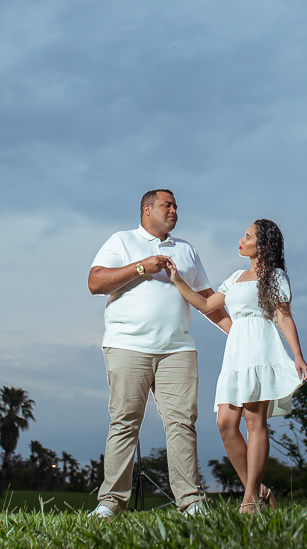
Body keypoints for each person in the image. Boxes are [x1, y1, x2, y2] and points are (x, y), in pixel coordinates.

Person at [87, 189, 231, 518]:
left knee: (182, 423)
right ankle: (111, 502)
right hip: (127, 345)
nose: (175, 211)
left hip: (177, 348)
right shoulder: (121, 241)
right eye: (168, 205)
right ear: (146, 210)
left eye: (177, 206)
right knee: (125, 422)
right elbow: (96, 282)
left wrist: (237, 333)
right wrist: (142, 267)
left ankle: (191, 501)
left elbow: (207, 298)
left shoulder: (186, 249)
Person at [164, 218, 307, 513]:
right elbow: (207, 306)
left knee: (256, 423)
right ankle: (260, 491)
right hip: (236, 352)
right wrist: (178, 280)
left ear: (262, 244)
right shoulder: (235, 277)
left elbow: (283, 316)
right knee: (225, 423)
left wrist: (297, 355)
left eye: (247, 236)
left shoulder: (276, 276)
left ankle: (250, 500)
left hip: (261, 349)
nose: (241, 241)